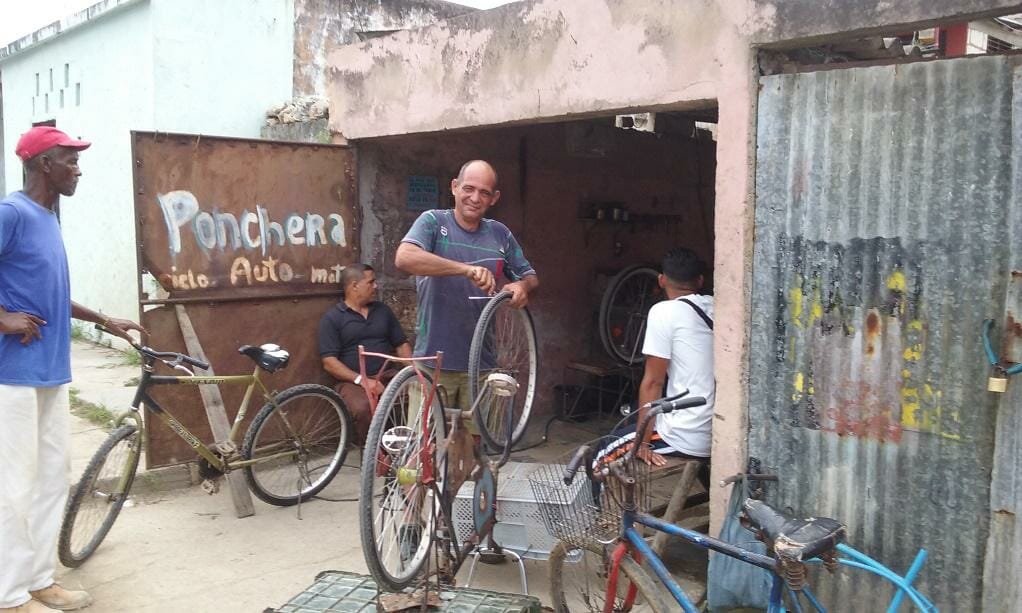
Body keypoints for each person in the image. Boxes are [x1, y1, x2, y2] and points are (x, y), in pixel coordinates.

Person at [0, 127, 145, 613]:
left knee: (50, 479)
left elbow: (53, 295)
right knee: (14, 485)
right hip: (12, 374)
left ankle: (39, 579)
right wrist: (2, 318)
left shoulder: (46, 218)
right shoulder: (12, 213)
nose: (78, 168)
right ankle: (9, 594)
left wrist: (104, 319)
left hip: (50, 370)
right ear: (44, 164)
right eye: (70, 160)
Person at [394, 160, 538, 413]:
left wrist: (521, 286)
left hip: (482, 364)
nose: (474, 198)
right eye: (468, 188)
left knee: (473, 444)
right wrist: (466, 269)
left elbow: (530, 276)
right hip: (432, 361)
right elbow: (404, 257)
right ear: (454, 187)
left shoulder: (500, 234)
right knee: (426, 445)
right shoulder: (432, 222)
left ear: (494, 198)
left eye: (484, 192)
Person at [595, 247, 713, 487]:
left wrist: (644, 442)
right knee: (626, 433)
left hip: (686, 434)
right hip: (716, 431)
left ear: (661, 280)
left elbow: (653, 382)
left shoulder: (663, 312)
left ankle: (596, 520)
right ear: (700, 280)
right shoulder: (717, 306)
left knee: (599, 455)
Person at [318, 263, 411, 444]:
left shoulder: (383, 311)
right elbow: (329, 362)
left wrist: (414, 372)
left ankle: (408, 450)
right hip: (353, 381)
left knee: (418, 395)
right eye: (371, 282)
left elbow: (401, 344)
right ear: (354, 286)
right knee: (364, 407)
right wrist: (363, 381)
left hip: (388, 374)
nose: (376, 286)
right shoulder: (333, 318)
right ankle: (374, 457)